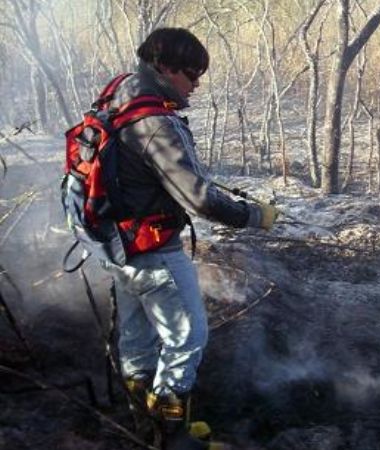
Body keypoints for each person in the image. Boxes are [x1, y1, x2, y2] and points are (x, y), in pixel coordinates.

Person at [99, 28, 278, 449]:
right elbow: (198, 198)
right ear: (164, 67)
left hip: (116, 247)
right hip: (153, 251)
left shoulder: (120, 93)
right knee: (187, 339)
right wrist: (255, 216)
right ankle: (173, 439)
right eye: (192, 74)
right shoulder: (155, 123)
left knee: (138, 338)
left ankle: (146, 426)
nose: (196, 84)